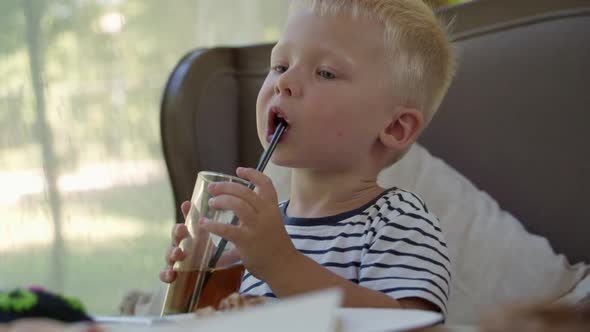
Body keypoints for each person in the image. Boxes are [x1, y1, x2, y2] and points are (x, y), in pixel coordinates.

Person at [160, 0, 456, 316]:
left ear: (396, 127)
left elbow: (415, 326)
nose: (284, 83)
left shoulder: (400, 222)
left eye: (325, 73)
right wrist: (203, 286)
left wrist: (280, 263)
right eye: (280, 66)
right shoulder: (258, 233)